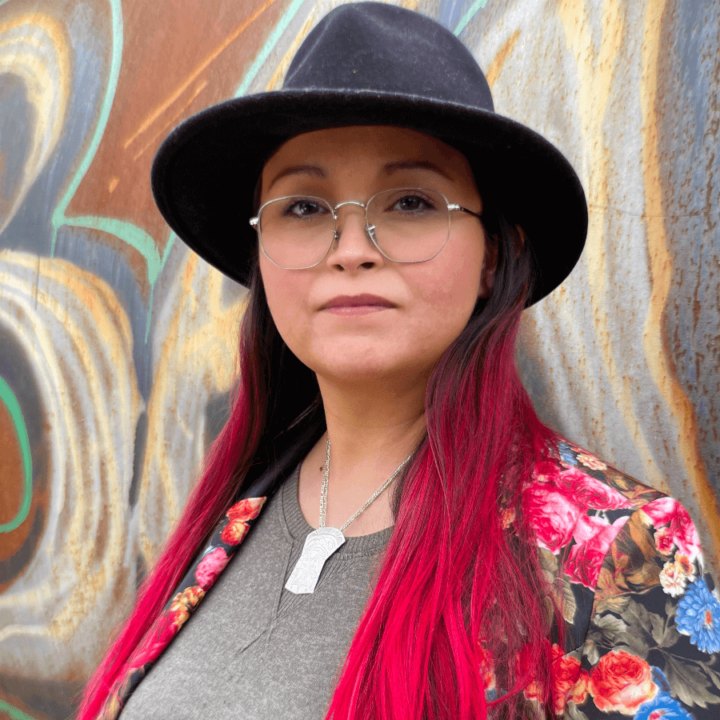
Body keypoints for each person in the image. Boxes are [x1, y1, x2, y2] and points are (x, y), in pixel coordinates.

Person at [77, 4, 720, 719]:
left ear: (494, 256)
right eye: (303, 207)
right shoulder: (227, 514)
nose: (351, 247)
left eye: (412, 200)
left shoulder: (614, 552)